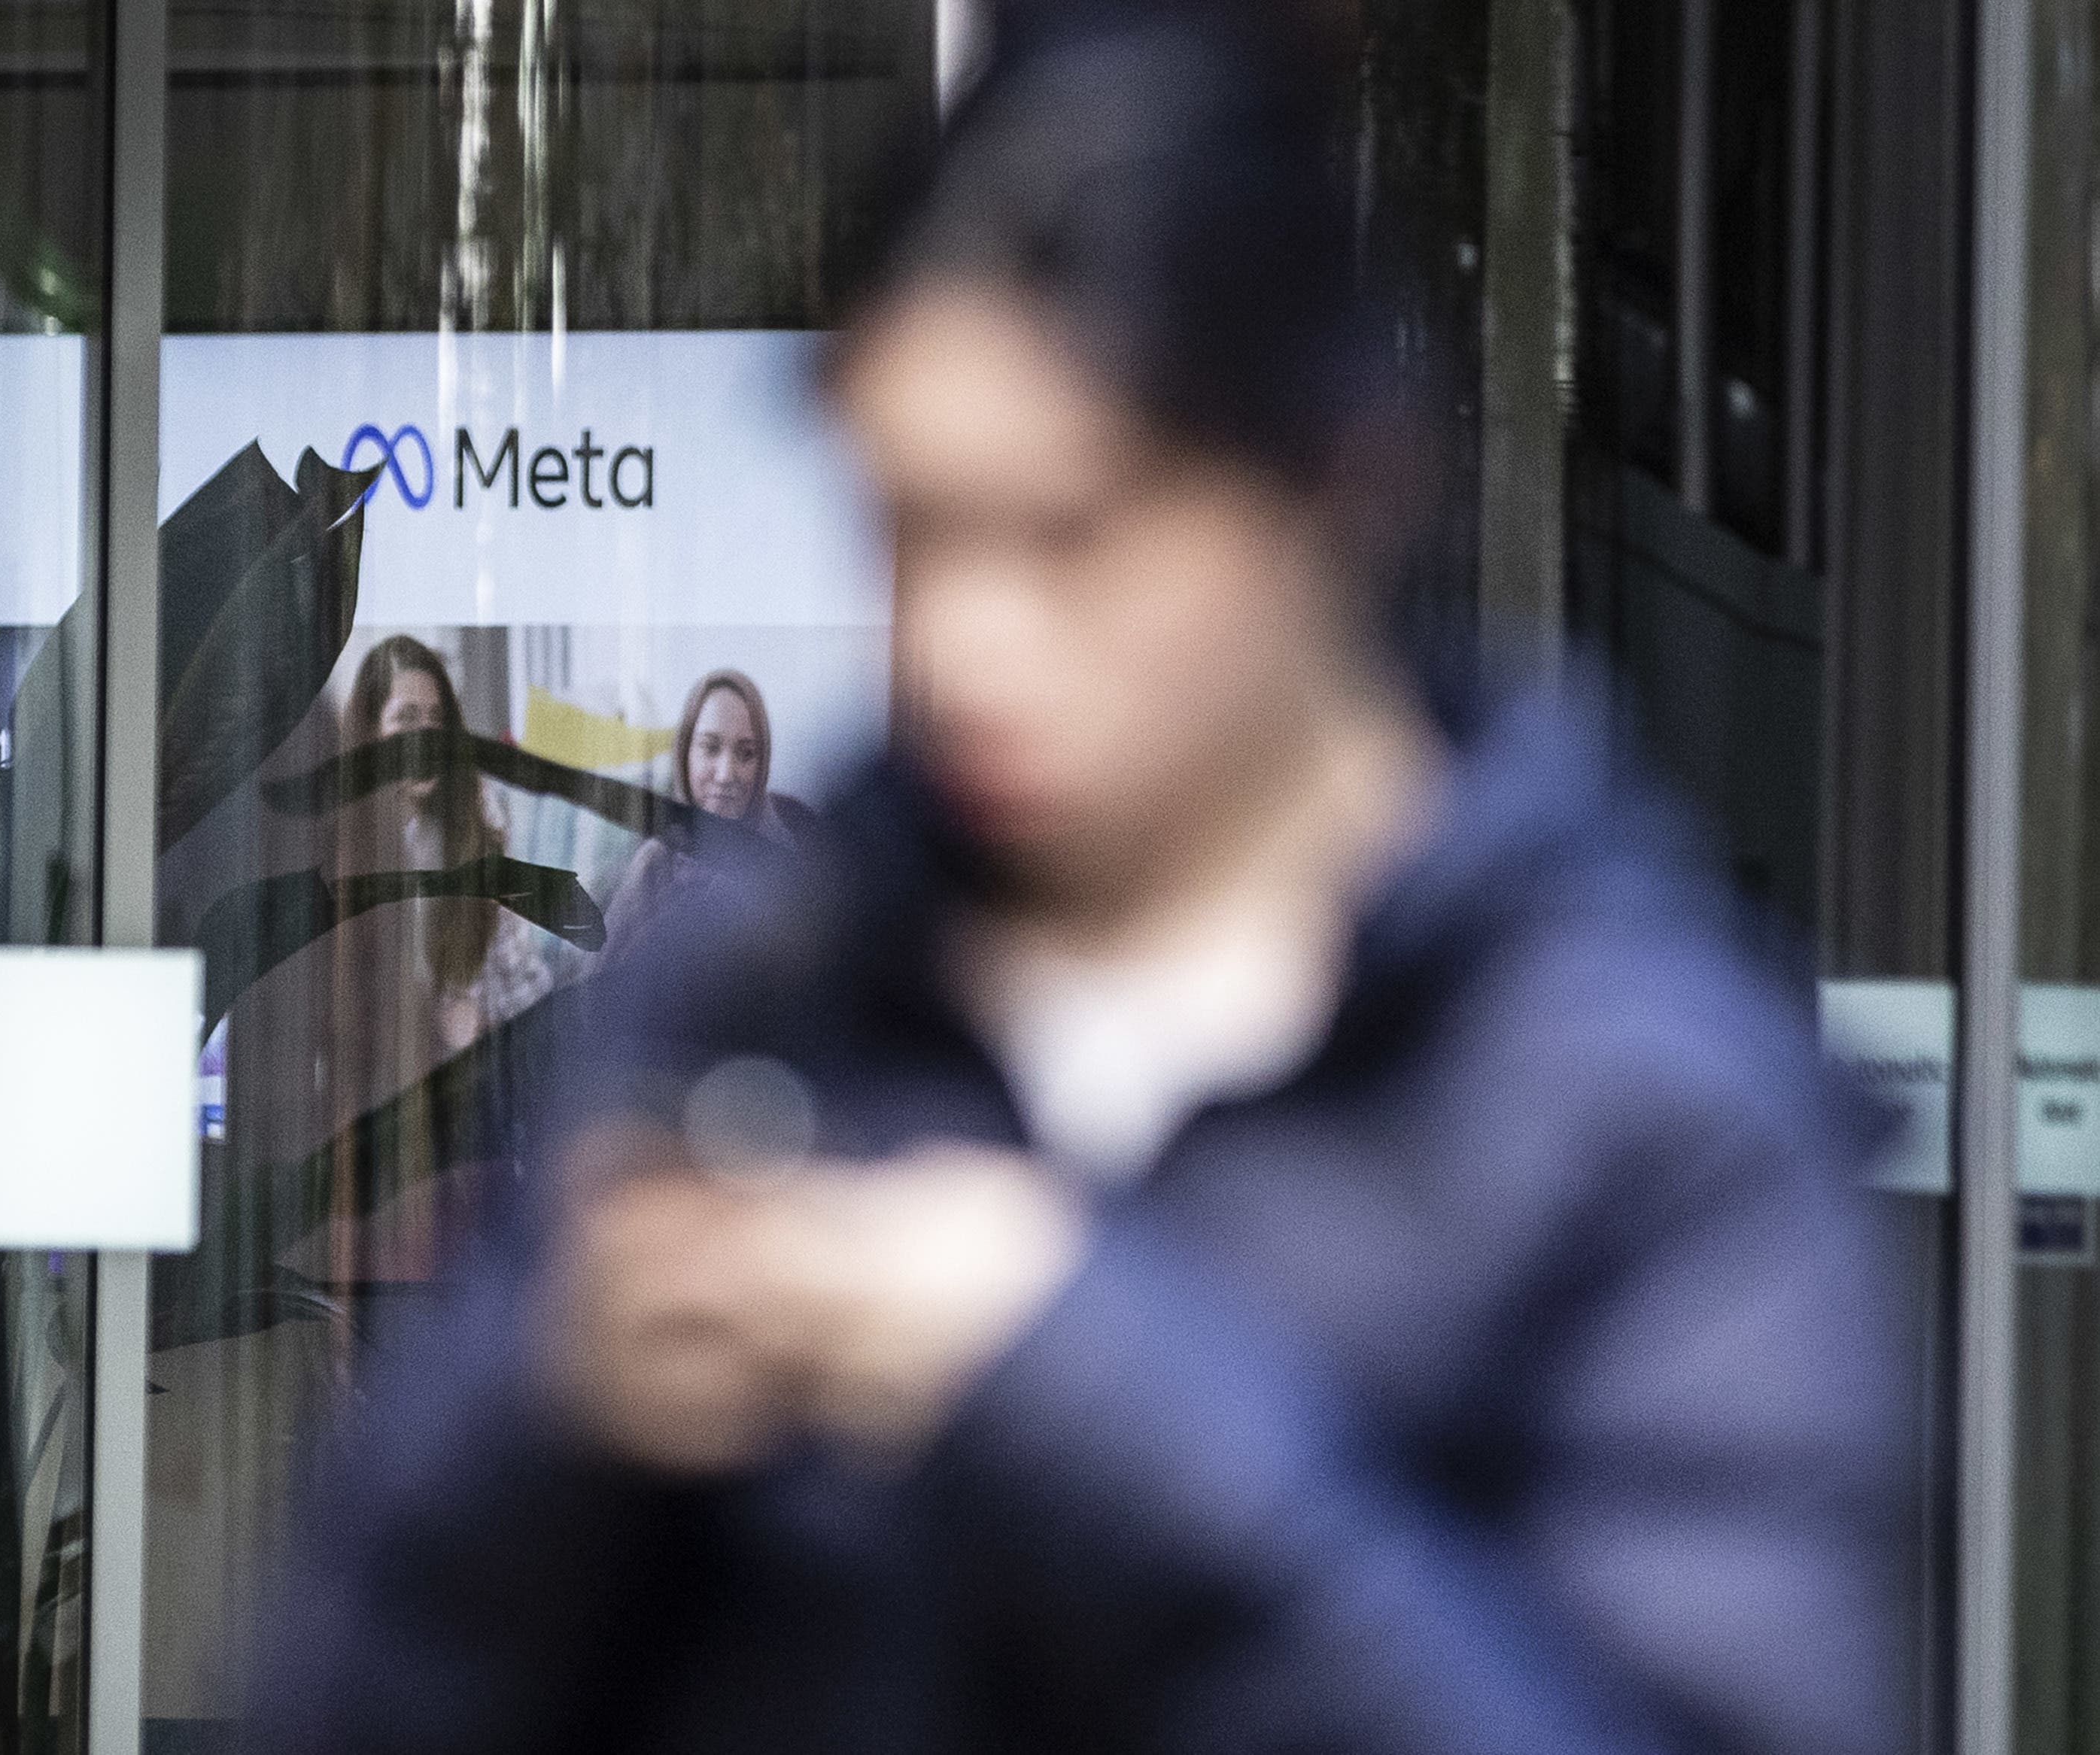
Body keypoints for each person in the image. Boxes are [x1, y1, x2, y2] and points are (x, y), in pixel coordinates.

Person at [254, 9, 1910, 1755]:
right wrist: (545, 1419)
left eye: (1066, 534)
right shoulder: (768, 975)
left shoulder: (1635, 1101)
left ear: (1328, 493)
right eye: (907, 528)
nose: (962, 638)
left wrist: (1081, 1394)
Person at [334, 634, 554, 1061]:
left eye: (436, 720)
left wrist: (479, 1027)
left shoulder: (475, 827)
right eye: (407, 719)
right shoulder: (340, 844)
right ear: (372, 734)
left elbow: (527, 998)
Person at [602, 668, 814, 963]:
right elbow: (598, 991)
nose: (726, 774)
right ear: (685, 754)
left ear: (762, 762)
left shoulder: (790, 867)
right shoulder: (653, 867)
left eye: (746, 753)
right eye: (710, 748)